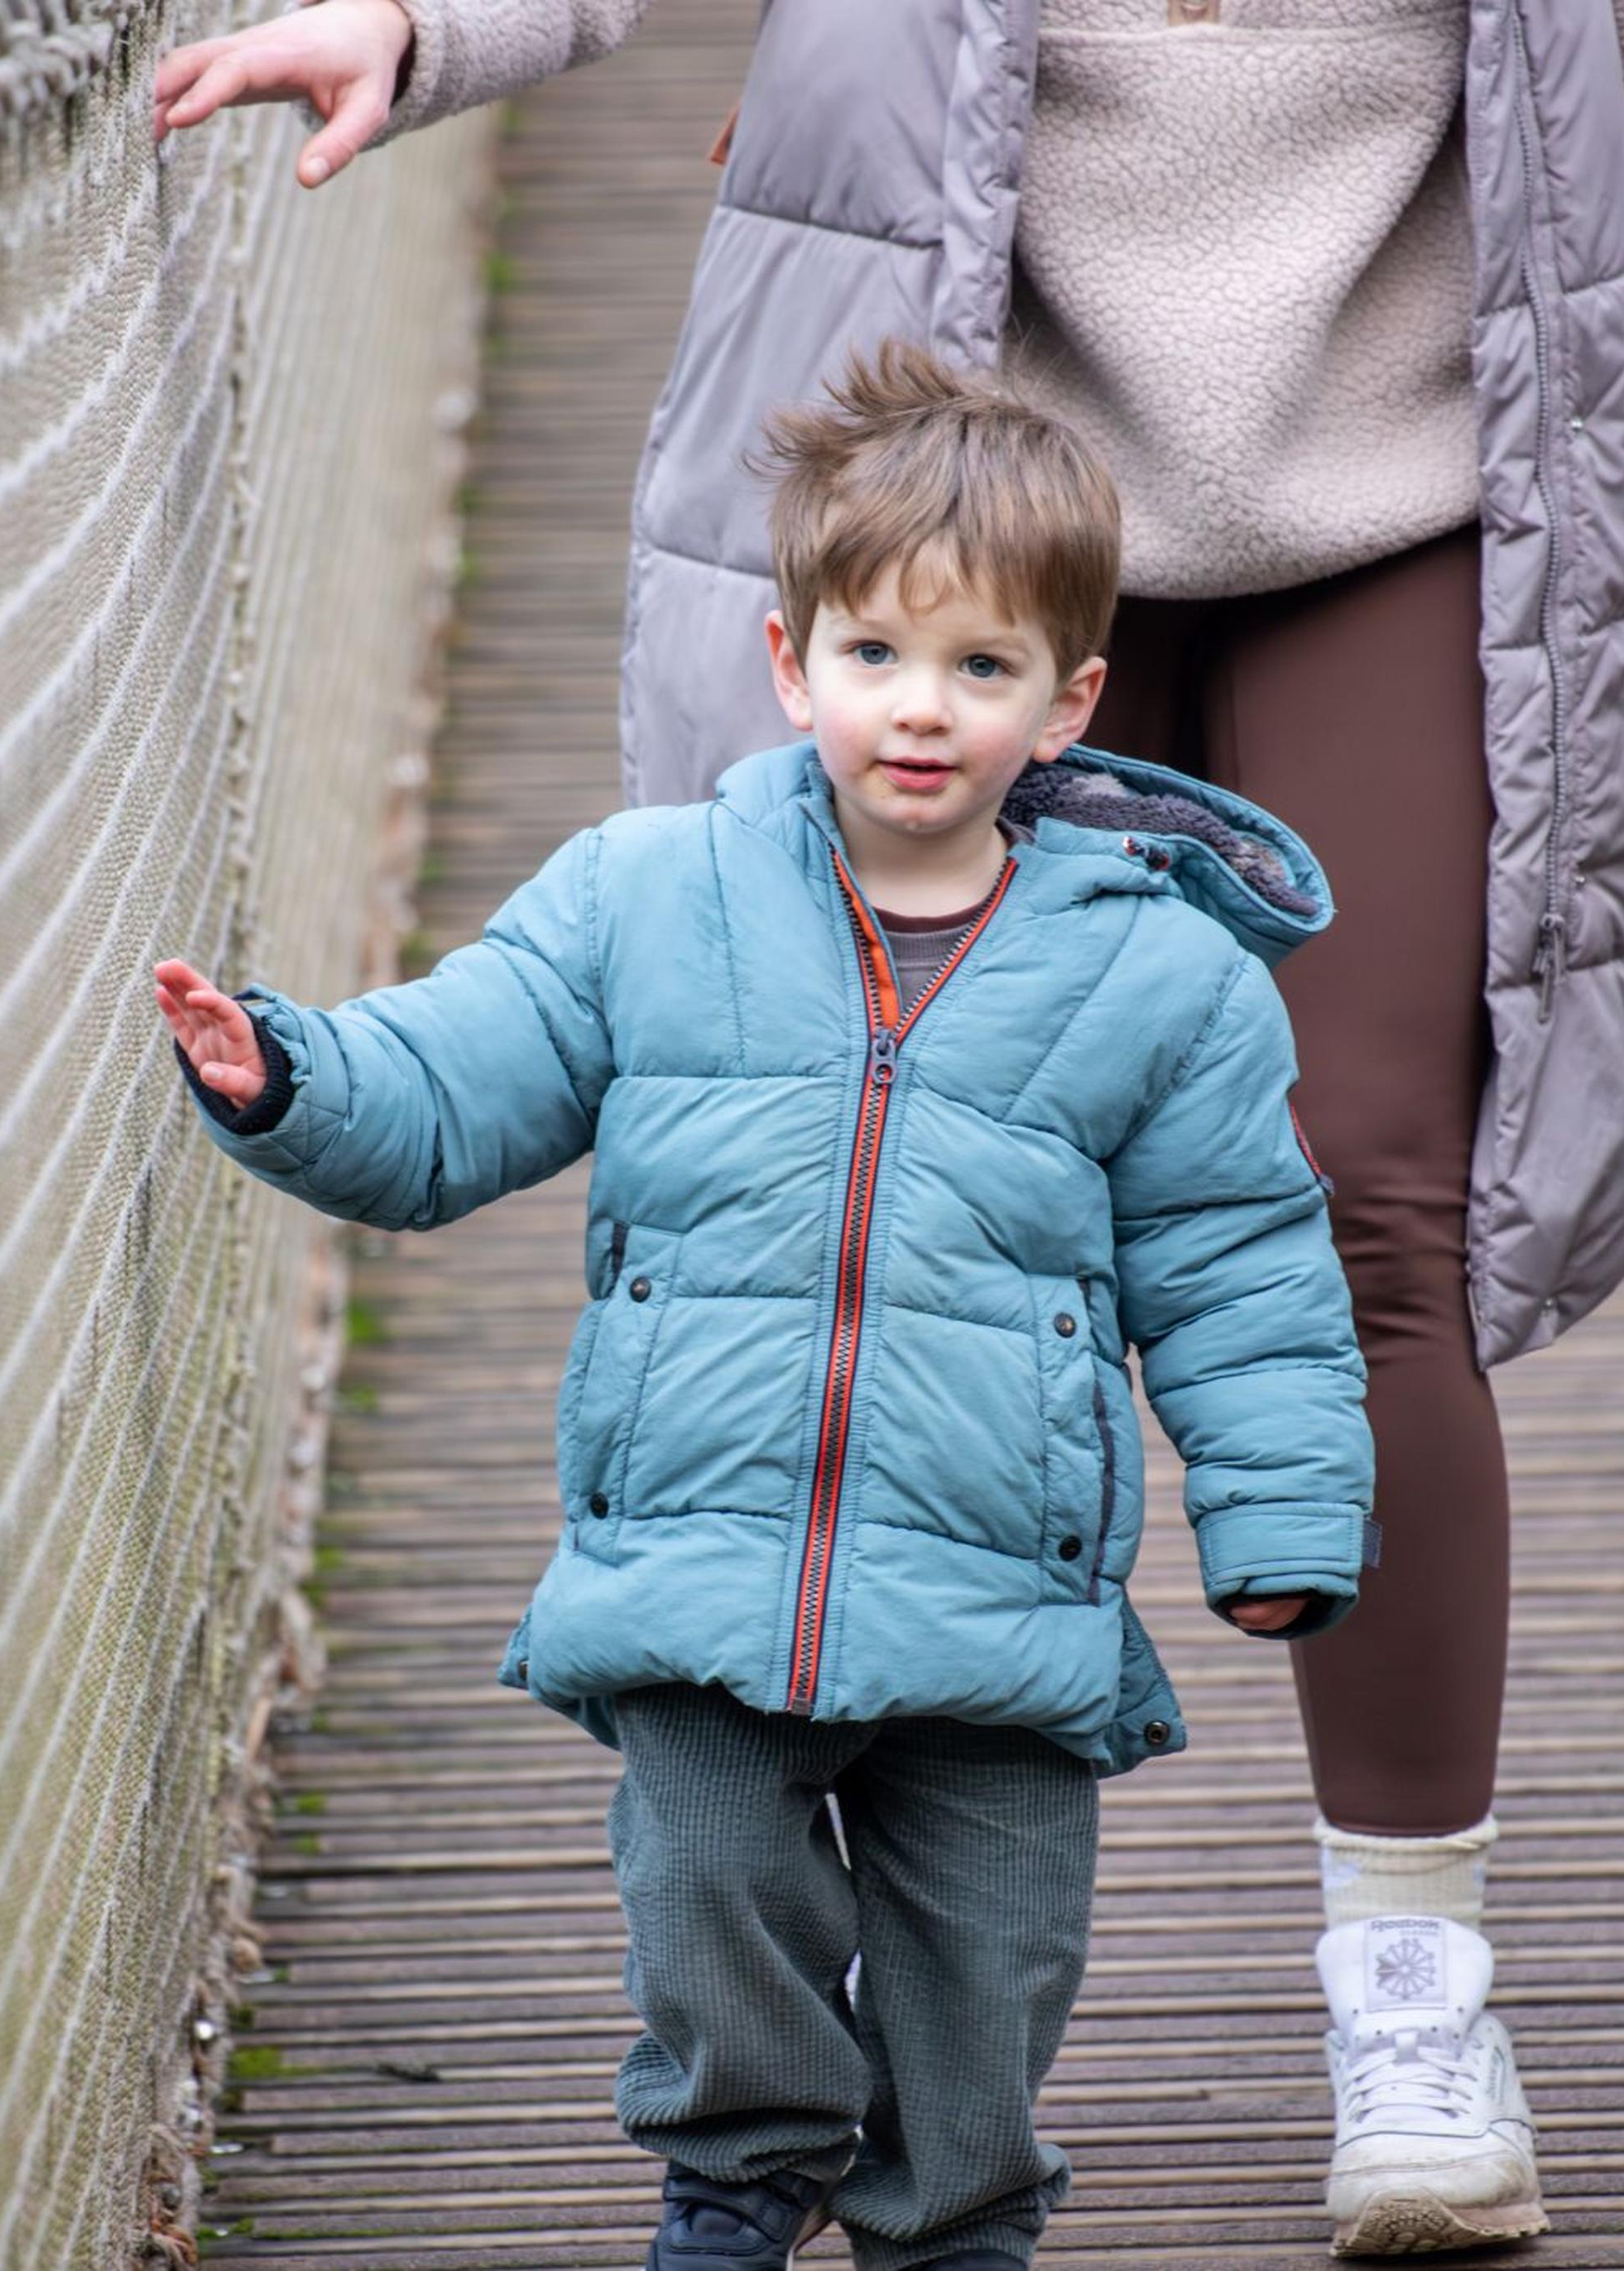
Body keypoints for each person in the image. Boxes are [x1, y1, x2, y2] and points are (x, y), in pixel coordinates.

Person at [150, 0, 1624, 2252]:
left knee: (1360, 1207)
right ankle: (819, 2046)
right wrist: (421, 26)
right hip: (975, 494)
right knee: (894, 1164)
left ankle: (1412, 1996)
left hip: (1399, 501)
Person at [154, 347, 1377, 2271]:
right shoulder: (649, 895)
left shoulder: (1164, 981)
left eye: (982, 670)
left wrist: (1285, 1508)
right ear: (790, 660)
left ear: (1068, 704)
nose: (922, 710)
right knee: (707, 1880)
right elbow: (464, 1075)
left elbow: (1241, 1263)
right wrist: (293, 1079)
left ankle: (953, 2216)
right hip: (705, 1558)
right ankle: (741, 2165)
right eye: (879, 656)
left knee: (995, 1963)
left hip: (999, 1582)